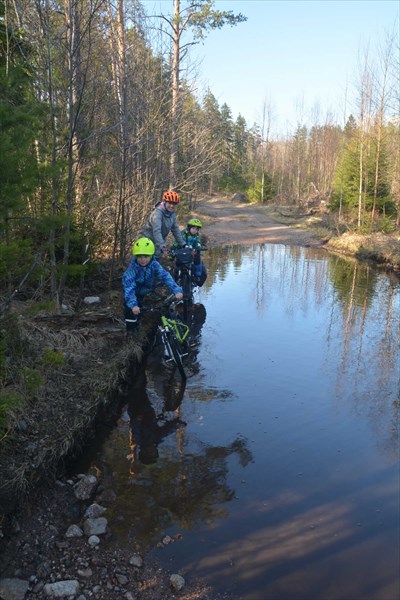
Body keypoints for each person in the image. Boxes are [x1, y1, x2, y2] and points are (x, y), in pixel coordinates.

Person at [122, 237, 183, 334]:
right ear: (136, 257)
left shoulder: (154, 264)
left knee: (160, 306)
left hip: (149, 289)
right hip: (135, 292)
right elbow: (129, 288)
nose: (143, 260)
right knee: (131, 311)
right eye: (140, 257)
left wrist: (176, 290)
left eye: (146, 256)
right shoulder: (131, 270)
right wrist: (133, 305)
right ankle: (132, 331)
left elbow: (165, 276)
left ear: (151, 256)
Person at [140, 190, 185, 260]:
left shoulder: (172, 214)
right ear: (165, 202)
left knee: (155, 265)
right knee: (144, 265)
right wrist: (162, 247)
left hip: (159, 244)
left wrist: (183, 244)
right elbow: (156, 231)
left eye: (174, 203)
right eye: (170, 203)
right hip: (147, 242)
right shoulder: (157, 213)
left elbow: (175, 229)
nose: (172, 205)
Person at [175, 218, 207, 286]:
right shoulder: (182, 233)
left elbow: (198, 242)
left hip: (192, 252)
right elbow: (177, 241)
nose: (195, 230)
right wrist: (174, 247)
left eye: (196, 229)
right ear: (189, 227)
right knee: (176, 263)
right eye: (193, 228)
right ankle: (176, 278)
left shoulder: (196, 235)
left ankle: (197, 275)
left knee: (198, 258)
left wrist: (198, 247)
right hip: (182, 252)